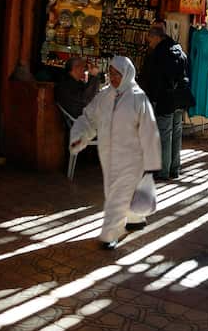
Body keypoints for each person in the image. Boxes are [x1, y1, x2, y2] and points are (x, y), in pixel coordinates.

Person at [69, 56, 162, 250]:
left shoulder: (138, 98)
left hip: (131, 157)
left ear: (127, 74)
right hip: (108, 155)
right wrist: (80, 136)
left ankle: (110, 233)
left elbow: (149, 130)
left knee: (117, 195)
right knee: (118, 191)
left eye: (117, 74)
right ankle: (135, 218)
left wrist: (152, 161)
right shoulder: (104, 96)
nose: (113, 77)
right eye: (111, 73)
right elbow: (88, 118)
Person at [141, 23, 192, 181]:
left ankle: (163, 170)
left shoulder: (159, 53)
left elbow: (154, 80)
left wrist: (152, 99)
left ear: (156, 37)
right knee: (176, 133)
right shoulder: (180, 51)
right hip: (181, 98)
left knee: (164, 134)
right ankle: (174, 169)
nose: (149, 44)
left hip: (166, 98)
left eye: (149, 40)